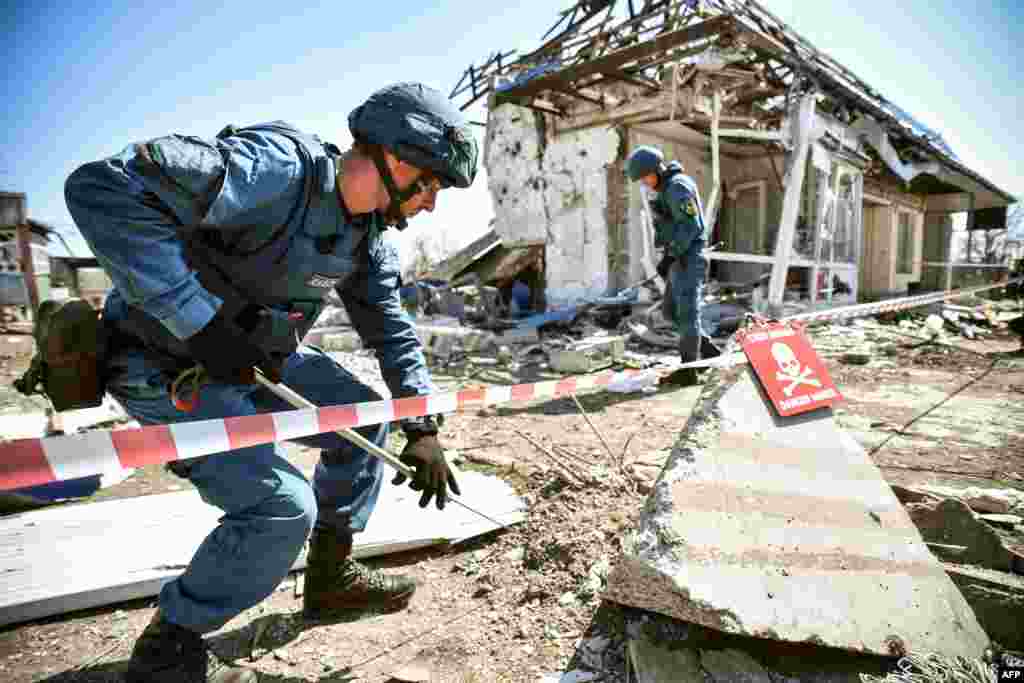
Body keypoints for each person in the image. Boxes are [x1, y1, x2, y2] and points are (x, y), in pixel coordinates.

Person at [63, 82, 478, 683]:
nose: (431, 205)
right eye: (432, 184)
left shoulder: (365, 239)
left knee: (364, 416)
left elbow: (391, 328)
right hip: (167, 365)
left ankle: (331, 580)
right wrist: (198, 320)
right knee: (280, 509)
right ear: (396, 158)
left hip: (255, 360)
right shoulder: (277, 172)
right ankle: (167, 647)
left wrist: (422, 424)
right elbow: (99, 188)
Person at [625, 145, 718, 386]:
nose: (644, 183)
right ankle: (710, 354)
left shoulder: (677, 186)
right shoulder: (666, 189)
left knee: (687, 316)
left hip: (688, 258)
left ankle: (689, 371)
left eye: (645, 177)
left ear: (656, 169)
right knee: (670, 312)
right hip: (678, 258)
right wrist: (668, 257)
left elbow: (691, 227)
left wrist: (670, 256)